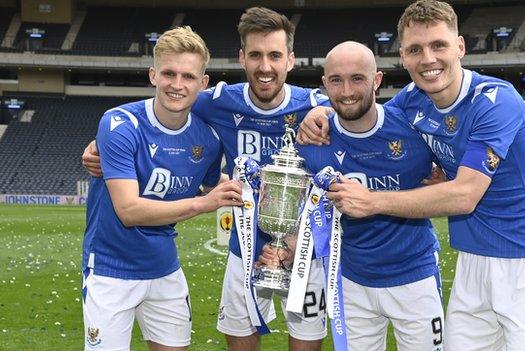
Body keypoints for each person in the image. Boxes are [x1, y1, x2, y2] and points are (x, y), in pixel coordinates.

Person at [297, 1, 525, 350]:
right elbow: (362, 114)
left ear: (460, 47)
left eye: (438, 45)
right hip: (472, 258)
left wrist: (371, 201)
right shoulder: (412, 100)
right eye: (414, 50)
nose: (427, 59)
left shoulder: (497, 100)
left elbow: (465, 195)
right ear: (403, 58)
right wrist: (318, 112)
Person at [82, 7, 329, 351]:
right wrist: (101, 142)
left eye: (274, 55)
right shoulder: (216, 103)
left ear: (290, 60)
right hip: (243, 249)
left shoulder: (315, 107)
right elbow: (162, 109)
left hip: (306, 250)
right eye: (255, 55)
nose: (265, 66)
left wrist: (326, 111)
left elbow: (358, 111)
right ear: (242, 58)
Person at [262, 41, 446, 350]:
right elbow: (310, 213)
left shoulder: (414, 131)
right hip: (350, 282)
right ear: (325, 85)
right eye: (336, 80)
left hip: (414, 277)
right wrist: (288, 247)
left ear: (377, 80)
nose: (346, 90)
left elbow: (461, 176)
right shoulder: (312, 143)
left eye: (357, 78)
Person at [82, 26, 243, 351]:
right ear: (153, 74)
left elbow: (216, 186)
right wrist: (204, 204)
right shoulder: (119, 124)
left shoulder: (208, 140)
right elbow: (129, 211)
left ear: (203, 83)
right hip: (112, 271)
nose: (177, 84)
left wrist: (253, 191)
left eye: (188, 76)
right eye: (169, 73)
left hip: (165, 268)